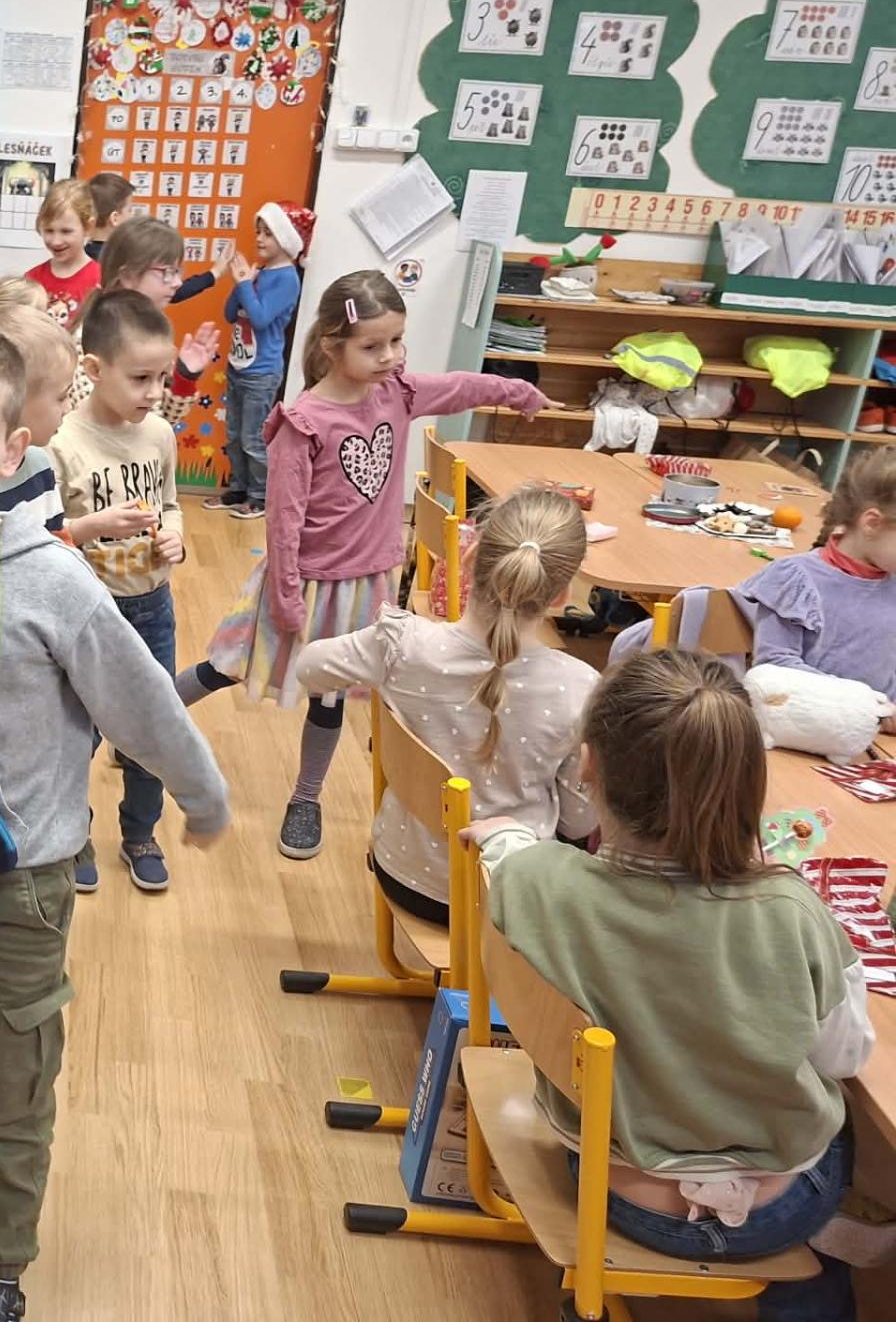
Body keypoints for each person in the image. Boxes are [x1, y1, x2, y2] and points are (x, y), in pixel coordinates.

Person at [0, 325, 229, 1322]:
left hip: (19, 883)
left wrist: (201, 795)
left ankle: (0, 1267)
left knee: (13, 1089)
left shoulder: (55, 580)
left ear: (15, 451)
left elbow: (141, 703)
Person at [471, 648, 872, 1322]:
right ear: (746, 786)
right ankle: (822, 1259)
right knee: (847, 1124)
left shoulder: (536, 881)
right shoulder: (792, 911)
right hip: (776, 1211)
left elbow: (514, 858)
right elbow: (844, 1056)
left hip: (610, 1189)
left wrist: (502, 835)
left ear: (588, 764)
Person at [175, 270, 552, 860]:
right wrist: (287, 597)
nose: (391, 356)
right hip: (303, 584)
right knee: (226, 668)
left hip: (365, 583)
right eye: (373, 346)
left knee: (330, 696)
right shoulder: (303, 422)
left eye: (397, 341)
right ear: (332, 345)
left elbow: (458, 387)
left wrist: (516, 392)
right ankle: (146, 723)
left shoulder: (397, 393)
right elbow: (283, 521)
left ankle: (306, 798)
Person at [295, 488, 597, 922]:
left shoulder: (403, 646)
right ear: (561, 596)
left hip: (403, 875)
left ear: (469, 558)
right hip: (508, 904)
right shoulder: (581, 688)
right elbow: (578, 823)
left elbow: (310, 668)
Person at [48, 290, 190, 893]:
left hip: (152, 607)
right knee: (76, 734)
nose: (154, 392)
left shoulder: (158, 434)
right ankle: (73, 833)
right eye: (139, 378)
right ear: (94, 368)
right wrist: (93, 526)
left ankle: (140, 833)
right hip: (85, 612)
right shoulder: (61, 442)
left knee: (151, 726)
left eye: (161, 378)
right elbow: (44, 535)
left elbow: (171, 504)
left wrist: (175, 535)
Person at [736, 448, 896, 728]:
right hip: (805, 730)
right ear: (871, 523)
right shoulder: (795, 579)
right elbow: (776, 667)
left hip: (876, 736)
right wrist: (868, 705)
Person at [208, 201, 315, 521]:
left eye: (268, 233)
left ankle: (260, 496)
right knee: (234, 435)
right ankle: (239, 488)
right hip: (238, 365)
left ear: (286, 238)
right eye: (258, 232)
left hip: (261, 372)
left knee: (253, 438)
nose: (259, 238)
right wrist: (240, 283)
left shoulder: (287, 278)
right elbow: (230, 314)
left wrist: (244, 284)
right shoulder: (260, 272)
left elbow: (261, 317)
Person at [66, 217, 224, 429]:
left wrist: (185, 376)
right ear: (128, 275)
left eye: (177, 272)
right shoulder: (93, 333)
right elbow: (99, 425)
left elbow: (160, 420)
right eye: (167, 272)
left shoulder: (149, 329)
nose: (177, 282)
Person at [0, 296, 80, 540]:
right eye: (61, 397)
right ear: (16, 401)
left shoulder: (39, 465)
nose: (68, 407)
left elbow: (55, 540)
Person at [83, 174, 237, 304]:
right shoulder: (124, 259)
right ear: (115, 218)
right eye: (129, 210)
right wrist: (214, 273)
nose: (132, 216)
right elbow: (172, 291)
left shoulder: (81, 255)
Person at [22, 179, 103, 329]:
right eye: (49, 230)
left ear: (88, 227)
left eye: (66, 231)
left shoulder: (100, 280)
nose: (56, 241)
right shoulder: (31, 279)